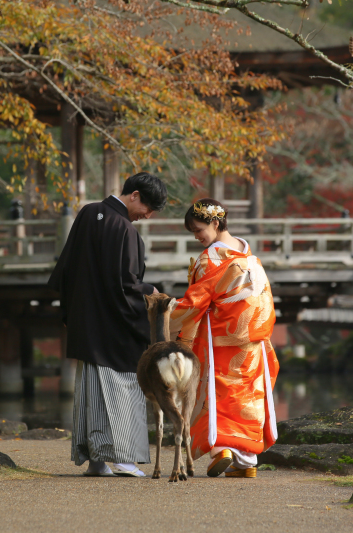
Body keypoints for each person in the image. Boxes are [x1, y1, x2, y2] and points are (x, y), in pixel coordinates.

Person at [48, 172, 168, 477]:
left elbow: (66, 269)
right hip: (114, 327)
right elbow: (127, 285)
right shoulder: (124, 229)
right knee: (123, 387)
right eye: (148, 208)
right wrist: (150, 291)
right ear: (135, 195)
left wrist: (70, 313)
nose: (147, 216)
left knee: (91, 392)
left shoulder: (88, 213)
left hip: (87, 321)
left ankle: (97, 461)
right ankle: (124, 459)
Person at [169, 198, 279, 478]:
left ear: (215, 223)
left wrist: (165, 310)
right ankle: (247, 462)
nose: (196, 237)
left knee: (218, 392)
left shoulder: (210, 259)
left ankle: (222, 449)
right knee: (249, 395)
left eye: (198, 230)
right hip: (253, 337)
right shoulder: (248, 254)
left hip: (220, 337)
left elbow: (195, 302)